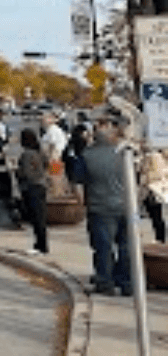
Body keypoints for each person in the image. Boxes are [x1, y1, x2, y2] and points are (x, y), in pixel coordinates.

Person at [81, 114, 132, 297]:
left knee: (103, 247)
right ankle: (127, 282)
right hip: (126, 205)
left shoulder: (88, 155)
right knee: (126, 246)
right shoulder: (125, 153)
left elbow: (79, 180)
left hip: (100, 206)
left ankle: (105, 281)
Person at [16, 127, 49, 256]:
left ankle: (41, 245)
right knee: (41, 217)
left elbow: (26, 173)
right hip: (41, 185)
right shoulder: (40, 151)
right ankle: (41, 243)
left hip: (31, 186)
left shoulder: (26, 154)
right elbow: (46, 164)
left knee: (36, 217)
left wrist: (17, 171)